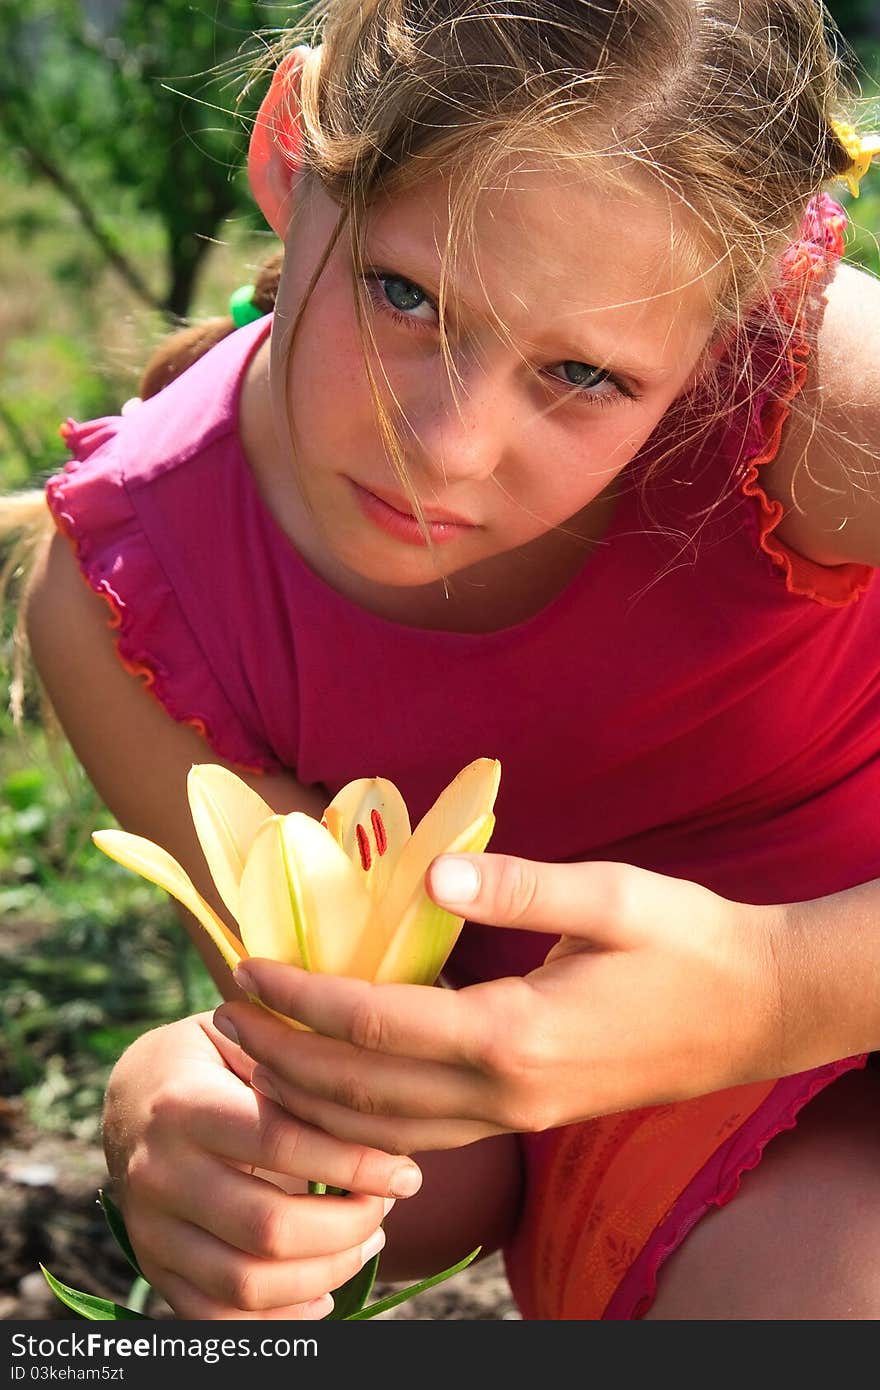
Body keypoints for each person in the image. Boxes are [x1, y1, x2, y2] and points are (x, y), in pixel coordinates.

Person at [5, 0, 880, 1320]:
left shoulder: (828, 409)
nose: (451, 445)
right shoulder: (140, 602)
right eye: (405, 295)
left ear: (740, 316)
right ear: (291, 151)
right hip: (697, 1159)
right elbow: (450, 1159)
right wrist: (216, 1124)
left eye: (583, 374)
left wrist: (774, 990)